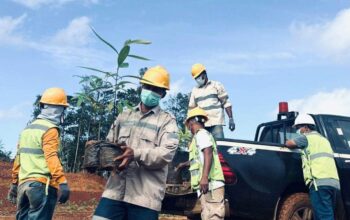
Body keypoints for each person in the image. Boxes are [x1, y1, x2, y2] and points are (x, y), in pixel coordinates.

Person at [93, 65, 179, 220]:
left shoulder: (167, 121)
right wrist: (98, 155)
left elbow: (166, 153)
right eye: (148, 86)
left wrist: (136, 154)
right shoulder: (125, 116)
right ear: (142, 87)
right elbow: (109, 143)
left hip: (144, 197)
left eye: (156, 89)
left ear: (163, 94)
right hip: (114, 191)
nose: (151, 91)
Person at [7, 87, 70, 220]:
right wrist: (62, 182)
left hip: (23, 186)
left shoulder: (27, 130)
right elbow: (51, 156)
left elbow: (18, 158)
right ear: (59, 109)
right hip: (41, 186)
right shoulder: (50, 129)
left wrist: (14, 183)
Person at [285, 113, 340, 220]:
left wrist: (286, 140)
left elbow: (289, 144)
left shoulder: (307, 138)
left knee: (323, 216)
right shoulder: (324, 140)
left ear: (306, 127)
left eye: (298, 127)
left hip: (319, 182)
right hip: (334, 183)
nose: (298, 131)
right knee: (328, 213)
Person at [177, 107, 225, 220]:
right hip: (207, 185)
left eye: (188, 123)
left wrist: (204, 177)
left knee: (214, 215)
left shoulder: (202, 134)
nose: (188, 127)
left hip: (211, 183)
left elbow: (208, 152)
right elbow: (198, 159)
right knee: (207, 215)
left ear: (191, 121)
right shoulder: (198, 138)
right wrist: (183, 164)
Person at [188, 63, 235, 139]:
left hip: (216, 123)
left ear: (204, 74)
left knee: (218, 147)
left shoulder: (216, 85)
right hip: (201, 124)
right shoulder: (194, 90)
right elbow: (191, 109)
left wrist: (231, 119)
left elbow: (226, 103)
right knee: (203, 148)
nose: (198, 79)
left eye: (199, 76)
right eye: (196, 78)